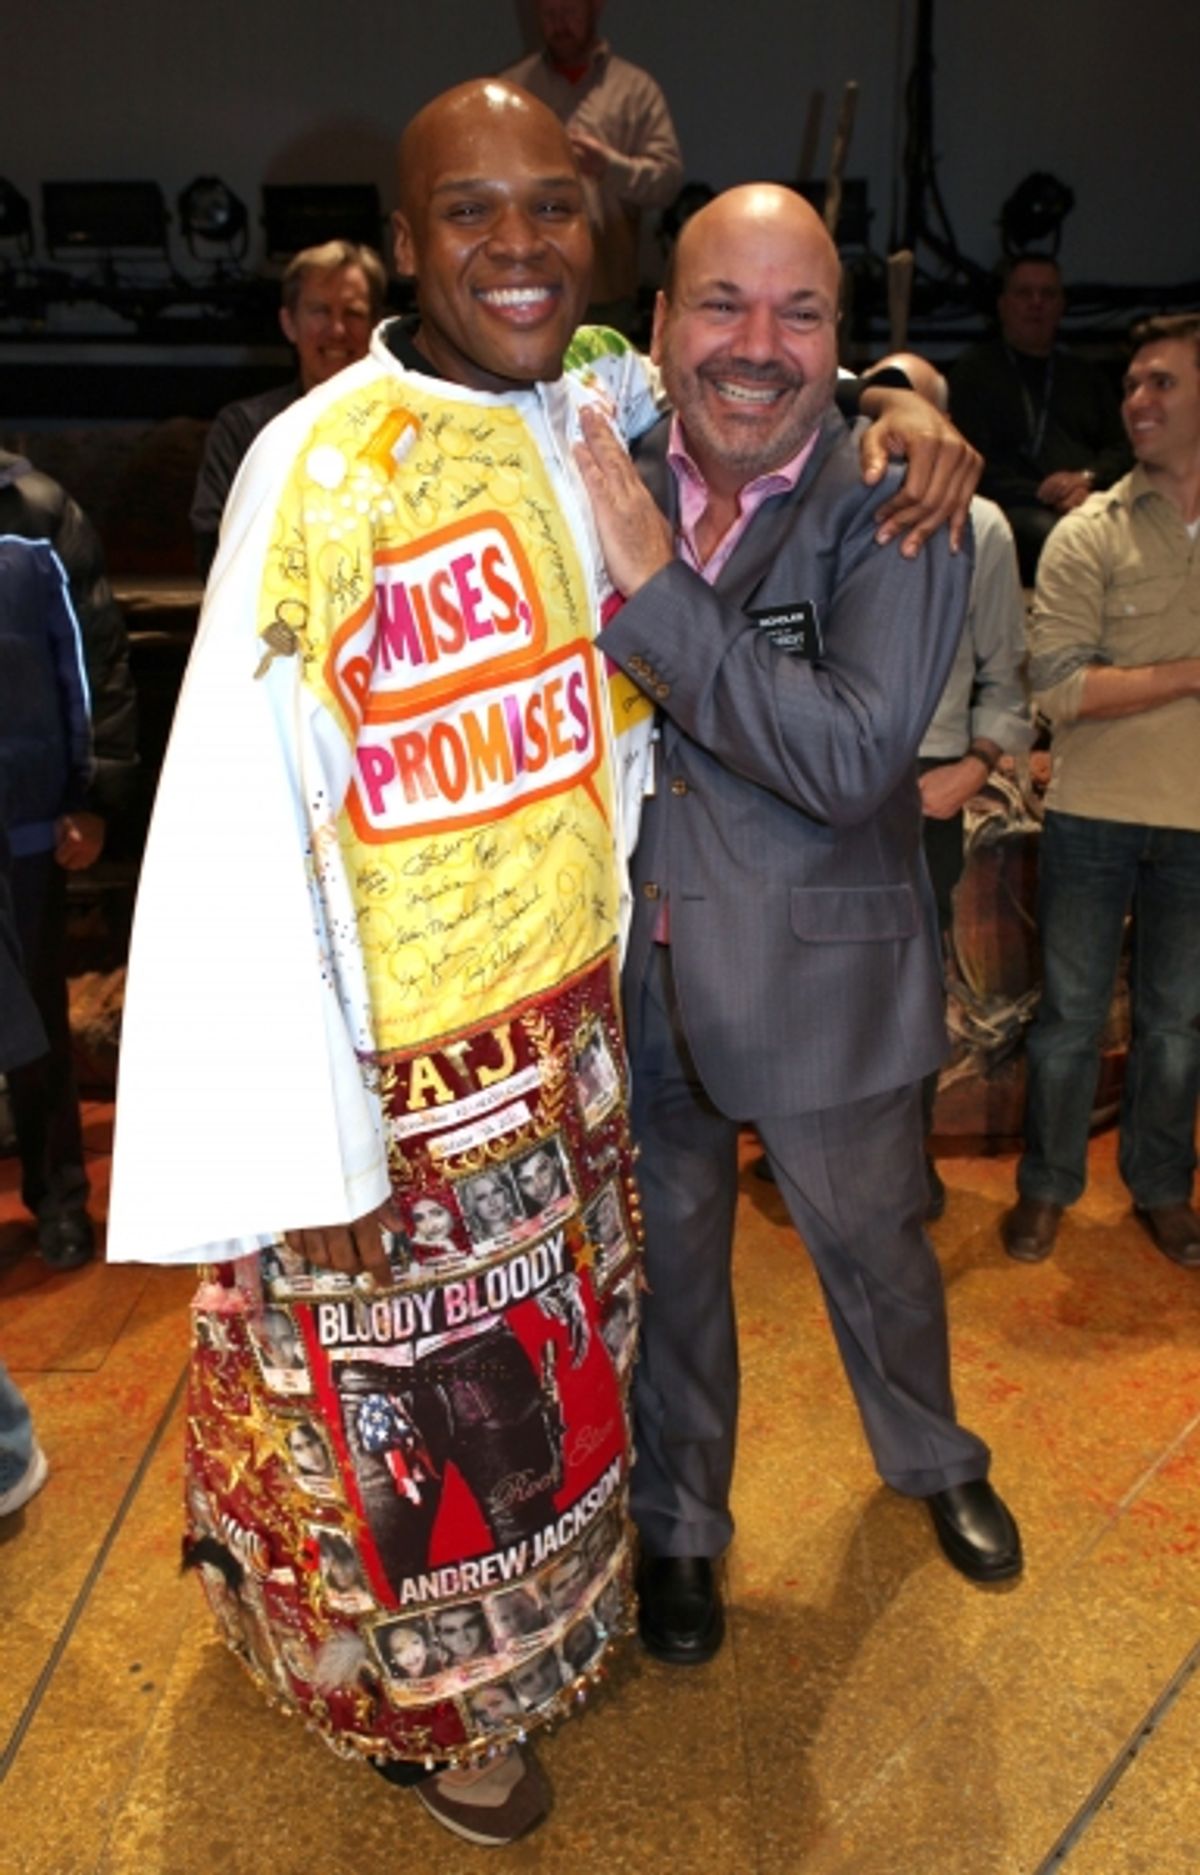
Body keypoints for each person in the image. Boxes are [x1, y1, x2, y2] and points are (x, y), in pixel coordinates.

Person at [109, 77, 982, 1846]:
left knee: (560, 1391)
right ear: (403, 240)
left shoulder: (595, 403)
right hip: (396, 1075)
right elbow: (230, 811)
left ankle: (570, 1633)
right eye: (470, 212)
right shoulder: (320, 465)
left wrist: (912, 394)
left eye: (552, 208)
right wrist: (286, 1131)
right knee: (406, 1420)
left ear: (600, 241)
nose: (517, 244)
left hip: (581, 1043)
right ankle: (441, 1716)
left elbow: (776, 363)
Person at [574, 183, 1022, 1668]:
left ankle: (934, 1454)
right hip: (633, 976)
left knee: (877, 1253)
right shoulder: (590, 466)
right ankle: (682, 1528)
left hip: (820, 972)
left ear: (841, 341)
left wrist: (654, 585)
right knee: (674, 1280)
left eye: (801, 312)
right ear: (660, 323)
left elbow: (845, 756)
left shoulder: (900, 497)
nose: (757, 344)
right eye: (723, 303)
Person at [1000, 312, 1200, 1269]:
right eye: (1131, 385)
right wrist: (1191, 673)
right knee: (1068, 1023)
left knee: (1176, 1027)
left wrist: (1142, 676)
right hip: (1092, 814)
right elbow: (1061, 689)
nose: (1137, 401)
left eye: (1162, 382)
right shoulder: (1088, 532)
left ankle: (1163, 1189)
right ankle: (1046, 1188)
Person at [865, 352, 1034, 1219]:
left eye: (915, 407)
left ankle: (905, 1165)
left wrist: (973, 765)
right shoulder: (831, 503)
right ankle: (825, 1158)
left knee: (912, 989)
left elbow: (1008, 675)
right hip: (831, 778)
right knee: (822, 978)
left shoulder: (986, 527)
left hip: (924, 781)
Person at [0, 448, 137, 1271]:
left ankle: (59, 1200)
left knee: (38, 1020)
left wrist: (93, 797)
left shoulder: (40, 511)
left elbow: (94, 660)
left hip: (25, 816)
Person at [189, 240, 387, 575]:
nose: (337, 330)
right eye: (320, 311)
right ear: (289, 323)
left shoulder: (409, 423)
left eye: (353, 313)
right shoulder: (242, 429)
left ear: (375, 326)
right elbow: (213, 548)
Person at [503, 0, 683, 330]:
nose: (560, 24)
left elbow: (667, 182)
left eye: (569, 12)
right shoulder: (511, 89)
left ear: (595, 8)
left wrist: (609, 167)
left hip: (609, 288)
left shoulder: (634, 89)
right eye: (549, 14)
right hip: (528, 281)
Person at [949, 254, 1129, 583]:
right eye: (1024, 293)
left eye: (1047, 294)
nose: (1036, 303)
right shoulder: (973, 373)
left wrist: (1086, 478)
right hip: (1014, 508)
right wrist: (1045, 493)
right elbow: (969, 459)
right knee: (1057, 536)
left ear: (1061, 305)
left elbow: (1122, 449)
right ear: (1003, 305)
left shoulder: (1086, 375)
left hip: (1090, 501)